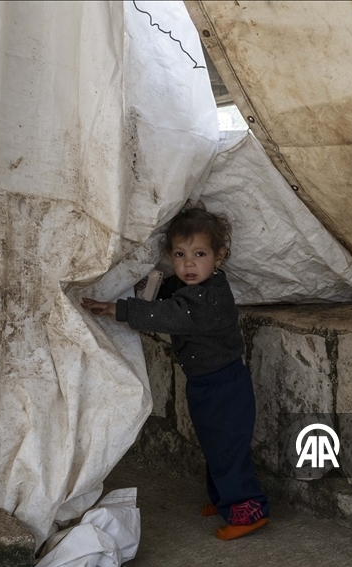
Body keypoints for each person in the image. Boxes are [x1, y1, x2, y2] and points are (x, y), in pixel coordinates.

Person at [81, 205, 269, 540]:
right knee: (214, 446)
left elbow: (169, 314)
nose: (189, 264)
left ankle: (248, 510)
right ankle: (226, 501)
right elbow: (169, 294)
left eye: (199, 254)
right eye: (180, 255)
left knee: (228, 450)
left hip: (225, 387)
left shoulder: (210, 299)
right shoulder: (192, 287)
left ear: (219, 256)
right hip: (204, 384)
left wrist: (118, 309)